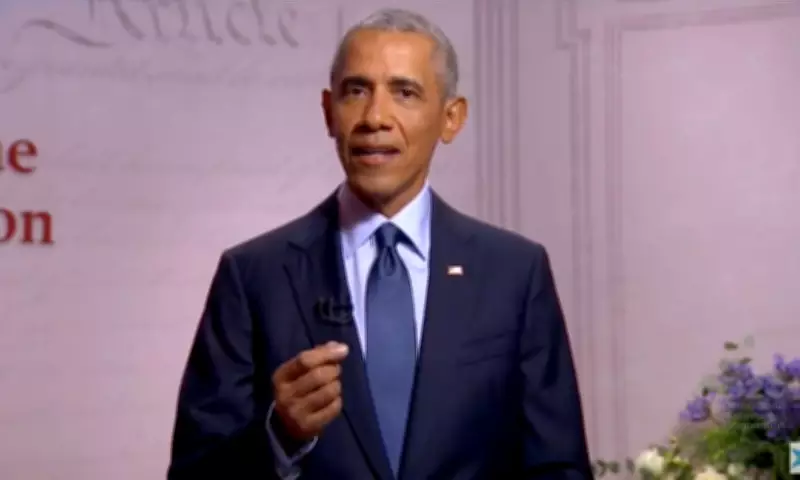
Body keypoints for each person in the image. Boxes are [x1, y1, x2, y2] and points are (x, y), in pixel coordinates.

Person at [167, 7, 592, 480]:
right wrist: (279, 437)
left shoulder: (514, 273)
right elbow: (194, 473)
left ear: (451, 118)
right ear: (328, 112)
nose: (375, 117)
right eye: (356, 91)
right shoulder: (253, 276)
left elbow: (559, 468)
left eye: (404, 92)